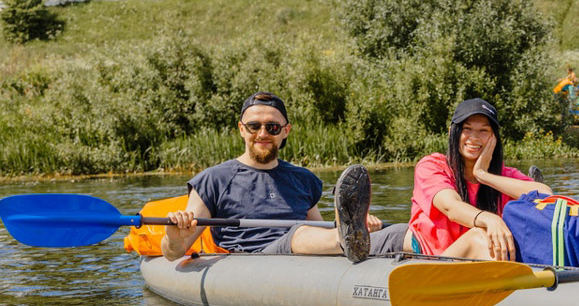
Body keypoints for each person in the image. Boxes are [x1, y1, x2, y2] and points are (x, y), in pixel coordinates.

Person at [161, 92, 383, 263]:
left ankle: (405, 242)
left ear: (285, 131)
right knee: (299, 234)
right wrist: (174, 238)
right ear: (241, 129)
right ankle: (347, 238)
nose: (263, 134)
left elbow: (321, 230)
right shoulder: (213, 180)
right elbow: (174, 253)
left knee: (392, 233)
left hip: (301, 256)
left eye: (273, 127)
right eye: (254, 126)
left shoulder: (303, 179)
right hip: (253, 260)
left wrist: (356, 225)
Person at [405, 98, 552, 260]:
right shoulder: (432, 166)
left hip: (480, 263)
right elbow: (451, 207)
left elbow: (547, 195)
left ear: (494, 138)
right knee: (479, 236)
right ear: (452, 132)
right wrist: (489, 218)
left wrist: (483, 175)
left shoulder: (504, 176)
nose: (474, 137)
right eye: (467, 129)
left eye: (483, 131)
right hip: (435, 261)